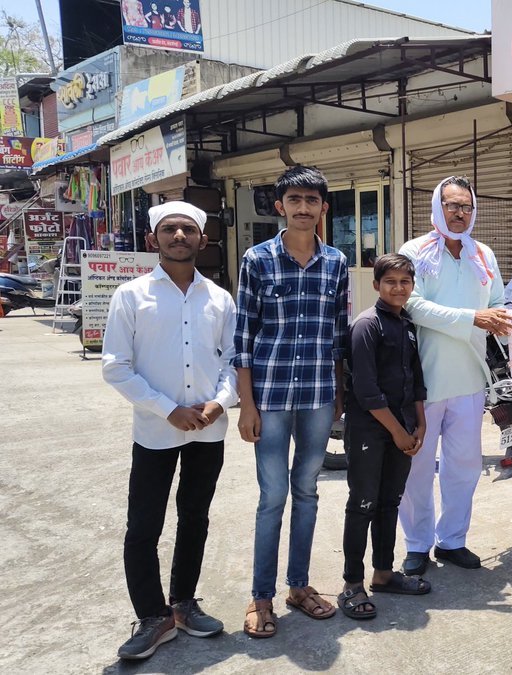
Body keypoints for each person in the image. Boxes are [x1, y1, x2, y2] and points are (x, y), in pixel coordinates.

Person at [102, 201, 237, 660]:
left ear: (203, 240)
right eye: (169, 230)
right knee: (143, 525)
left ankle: (183, 604)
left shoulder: (219, 298)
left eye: (187, 230)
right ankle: (152, 616)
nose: (179, 236)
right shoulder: (131, 296)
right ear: (152, 240)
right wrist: (167, 410)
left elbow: (232, 363)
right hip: (155, 432)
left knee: (194, 518)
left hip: (207, 431)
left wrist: (221, 402)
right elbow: (115, 367)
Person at [235, 165, 349, 638]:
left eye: (312, 200)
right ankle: (261, 595)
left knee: (307, 492)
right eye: (295, 200)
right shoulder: (257, 260)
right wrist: (246, 404)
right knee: (273, 497)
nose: (304, 208)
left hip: (319, 395)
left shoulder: (337, 262)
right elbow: (243, 335)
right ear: (280, 206)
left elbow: (339, 334)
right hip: (271, 395)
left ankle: (298, 587)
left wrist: (340, 394)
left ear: (324, 207)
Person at [397, 176, 511, 575]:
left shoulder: (483, 254)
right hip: (423, 382)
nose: (459, 213)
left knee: (463, 465)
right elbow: (411, 304)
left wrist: (502, 321)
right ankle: (416, 544)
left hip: (469, 379)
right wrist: (472, 318)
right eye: (451, 205)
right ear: (437, 207)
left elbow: (498, 302)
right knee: (418, 466)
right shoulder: (415, 252)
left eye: (465, 206)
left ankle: (452, 541)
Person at [339, 253, 432, 620]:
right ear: (376, 285)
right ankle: (351, 583)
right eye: (390, 281)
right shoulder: (366, 325)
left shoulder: (406, 324)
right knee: (362, 503)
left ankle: (383, 572)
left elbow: (416, 379)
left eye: (405, 282)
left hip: (404, 430)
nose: (398, 288)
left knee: (389, 501)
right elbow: (365, 389)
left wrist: (419, 425)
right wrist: (397, 431)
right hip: (371, 430)